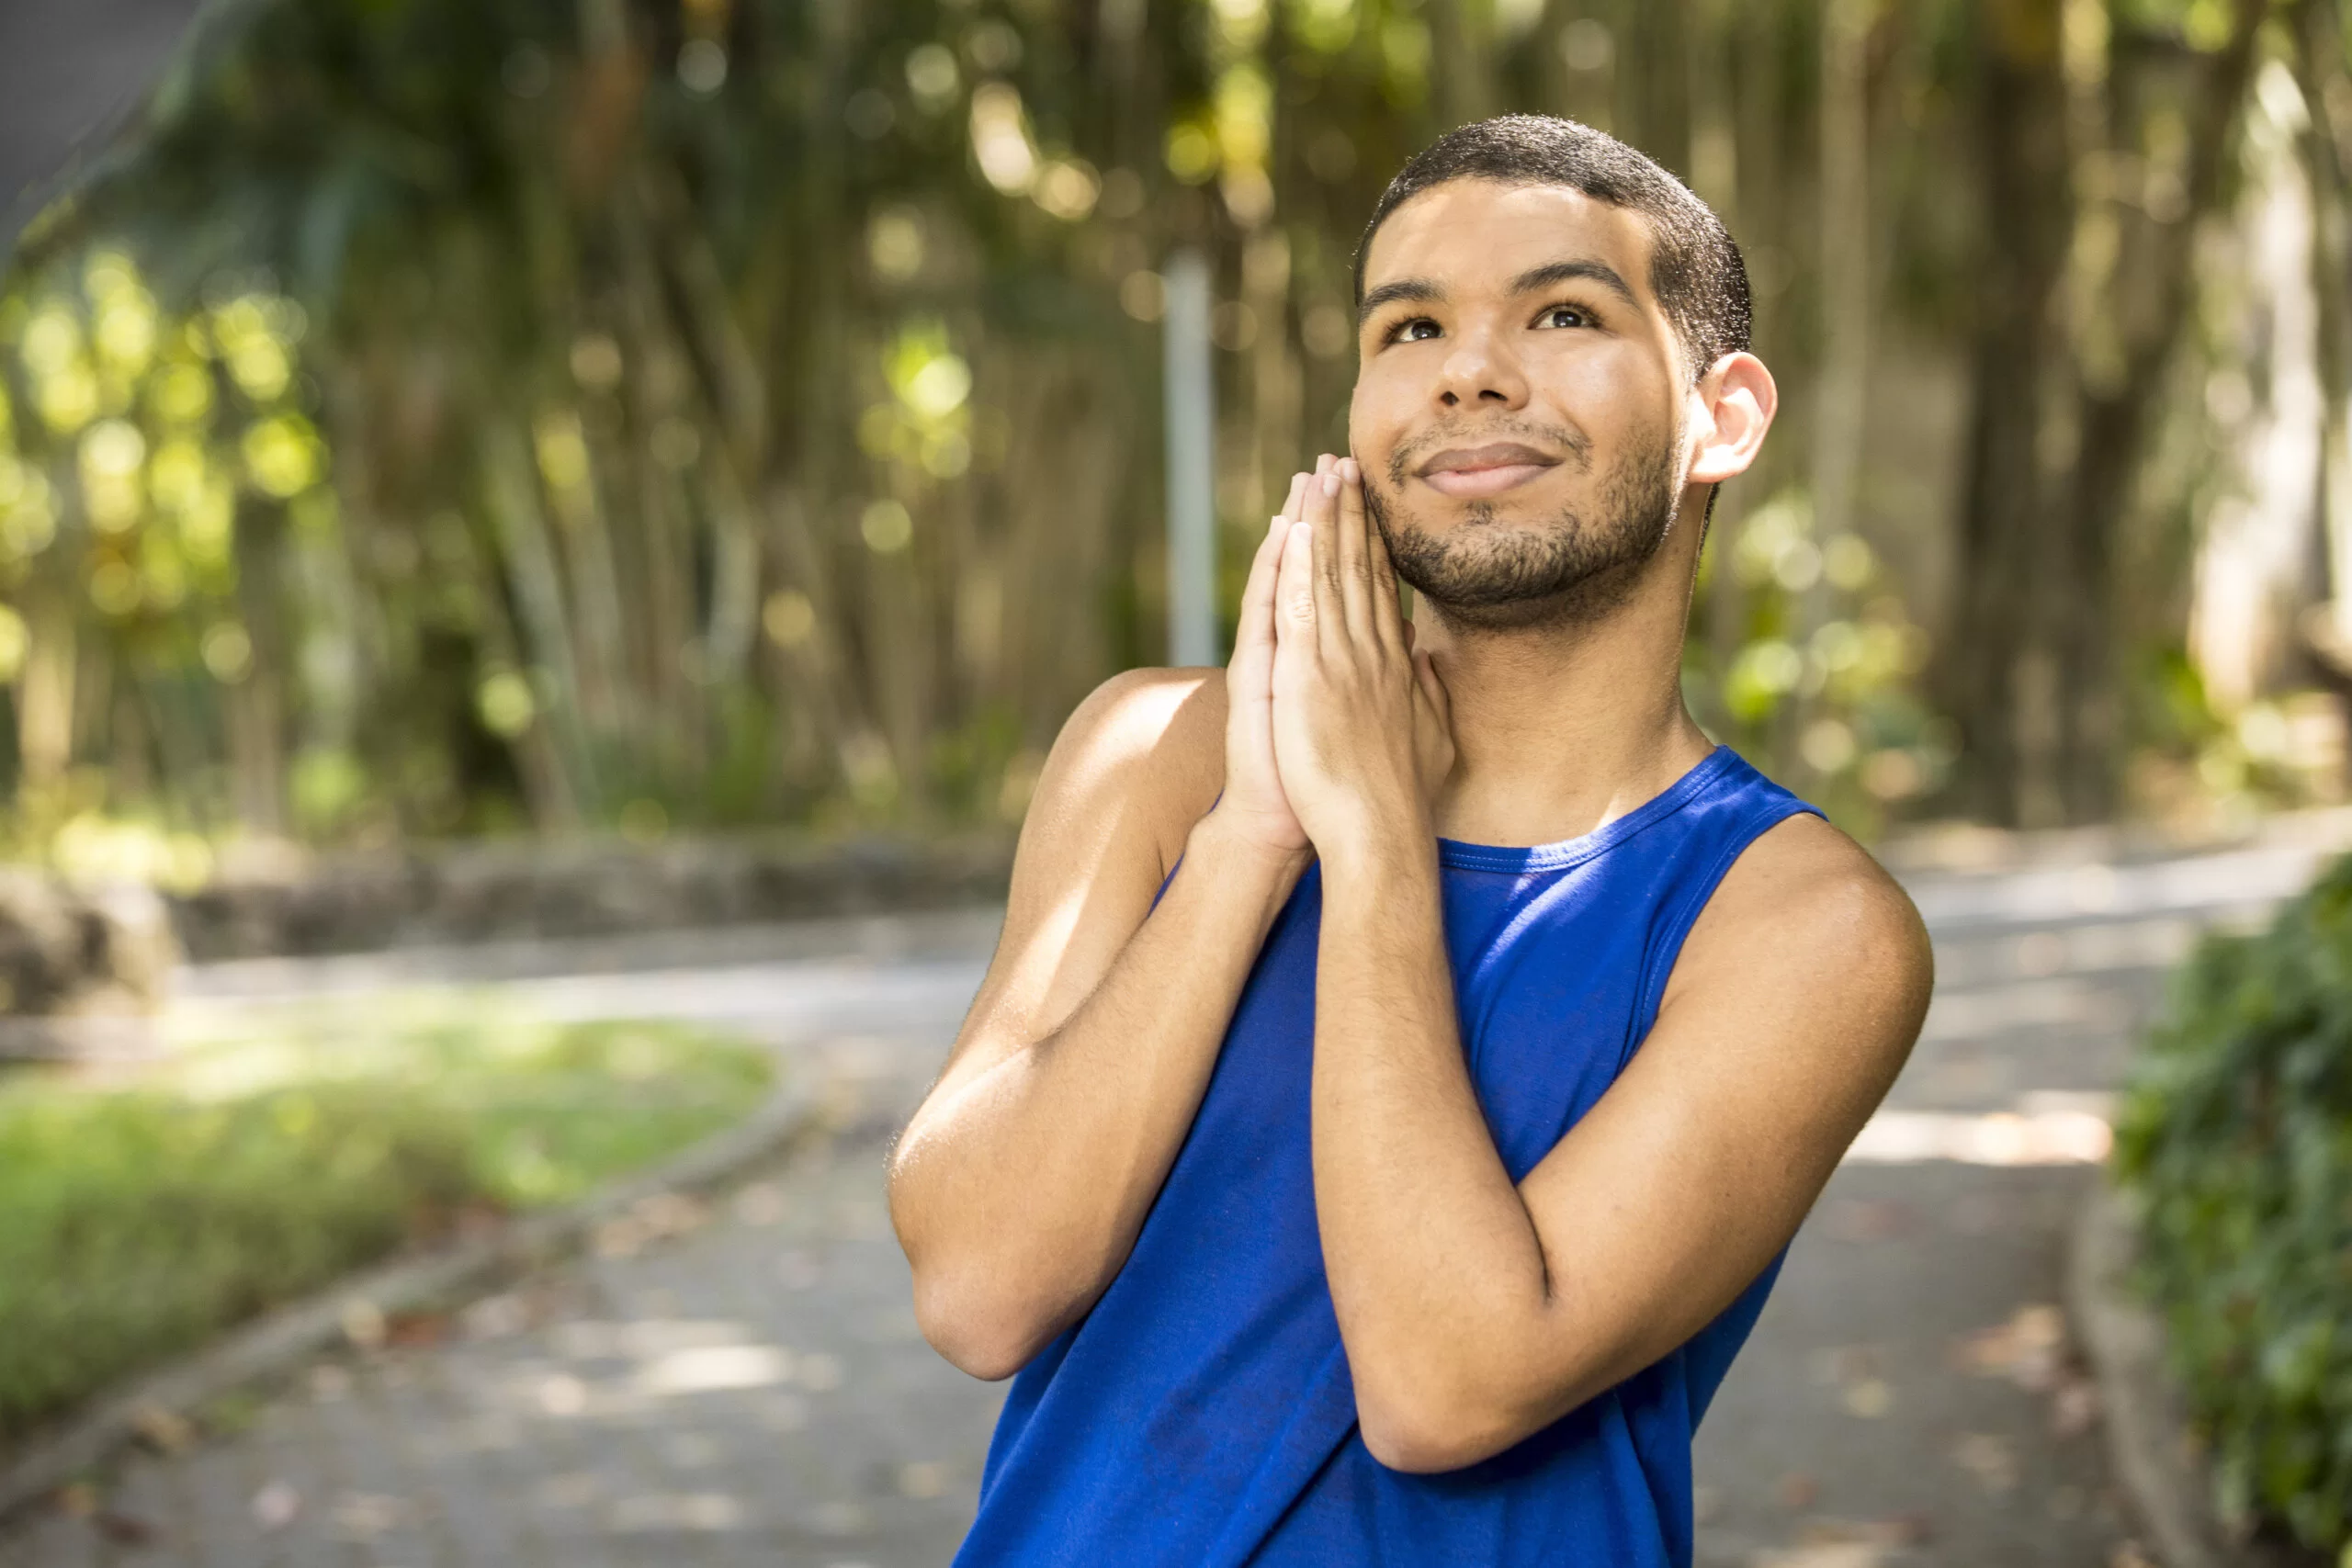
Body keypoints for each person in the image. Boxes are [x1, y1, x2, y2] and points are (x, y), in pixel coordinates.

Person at [887, 113, 1933, 1567]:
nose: (1470, 367)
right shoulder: (1152, 756)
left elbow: (1447, 1382)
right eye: (1411, 326)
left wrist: (1374, 843)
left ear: (1725, 417)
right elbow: (979, 1287)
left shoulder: (1801, 927)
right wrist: (1257, 829)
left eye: (1563, 312)